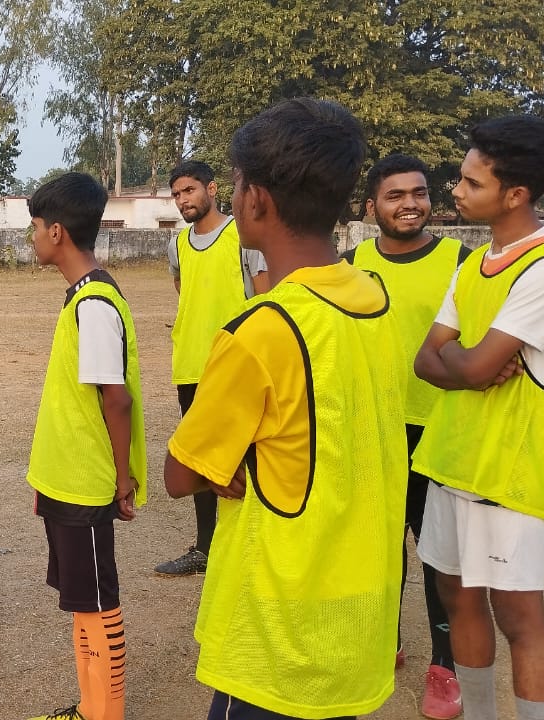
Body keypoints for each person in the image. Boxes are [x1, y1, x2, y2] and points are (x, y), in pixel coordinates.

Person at [163, 98, 407, 719]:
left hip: (276, 630)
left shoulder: (261, 331)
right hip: (356, 618)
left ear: (256, 200)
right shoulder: (374, 298)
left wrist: (233, 459)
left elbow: (181, 475)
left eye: (236, 182)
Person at [412, 115, 544, 720]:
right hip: (453, 459)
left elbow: (470, 362)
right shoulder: (473, 265)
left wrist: (463, 361)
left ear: (515, 195)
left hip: (511, 470)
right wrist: (466, 364)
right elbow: (426, 360)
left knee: (519, 613)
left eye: (471, 182)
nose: (456, 190)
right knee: (457, 596)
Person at [340, 153, 468, 719]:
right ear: (372, 207)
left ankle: (444, 666)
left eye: (418, 193)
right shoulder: (351, 266)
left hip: (440, 431)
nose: (410, 204)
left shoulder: (461, 262)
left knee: (439, 555)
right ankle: (384, 639)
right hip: (374, 429)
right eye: (395, 195)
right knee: (378, 544)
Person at [23, 172, 147, 720]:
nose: (32, 238)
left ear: (56, 232)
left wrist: (122, 478)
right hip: (64, 480)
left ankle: (107, 712)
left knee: (98, 604)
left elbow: (115, 400)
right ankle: (89, 706)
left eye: (34, 227)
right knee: (81, 602)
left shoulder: (94, 303)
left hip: (86, 483)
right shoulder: (81, 295)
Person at [156, 160, 268, 577]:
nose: (183, 200)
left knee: (248, 456)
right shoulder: (178, 245)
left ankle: (254, 549)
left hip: (236, 366)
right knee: (201, 459)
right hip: (191, 365)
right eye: (177, 194)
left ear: (212, 189)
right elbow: (183, 290)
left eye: (189, 190)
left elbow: (266, 297)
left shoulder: (243, 237)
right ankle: (205, 548)